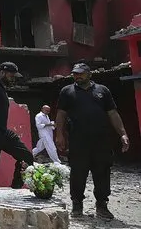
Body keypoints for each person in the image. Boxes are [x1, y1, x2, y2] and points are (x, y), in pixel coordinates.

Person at [55, 62, 130, 220]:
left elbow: (113, 113)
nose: (77, 76)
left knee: (102, 172)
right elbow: (61, 115)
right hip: (78, 140)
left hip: (101, 140)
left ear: (89, 74)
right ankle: (77, 206)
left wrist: (122, 134)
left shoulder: (102, 91)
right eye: (75, 73)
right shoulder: (67, 92)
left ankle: (102, 206)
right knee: (78, 173)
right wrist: (59, 135)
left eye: (81, 73)